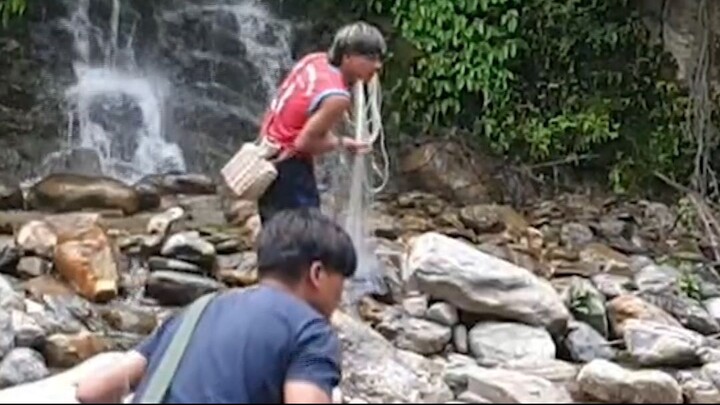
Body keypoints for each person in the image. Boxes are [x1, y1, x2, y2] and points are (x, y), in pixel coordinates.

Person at [75, 208, 357, 403]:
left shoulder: (195, 312)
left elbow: (91, 391)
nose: (341, 295)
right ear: (317, 274)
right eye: (341, 280)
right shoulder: (310, 331)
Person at [257, 21, 386, 224]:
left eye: (379, 58)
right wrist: (342, 143)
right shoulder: (337, 96)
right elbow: (304, 143)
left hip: (267, 155)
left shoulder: (314, 61)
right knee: (307, 236)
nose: (377, 66)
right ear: (347, 56)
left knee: (276, 234)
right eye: (370, 58)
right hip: (289, 168)